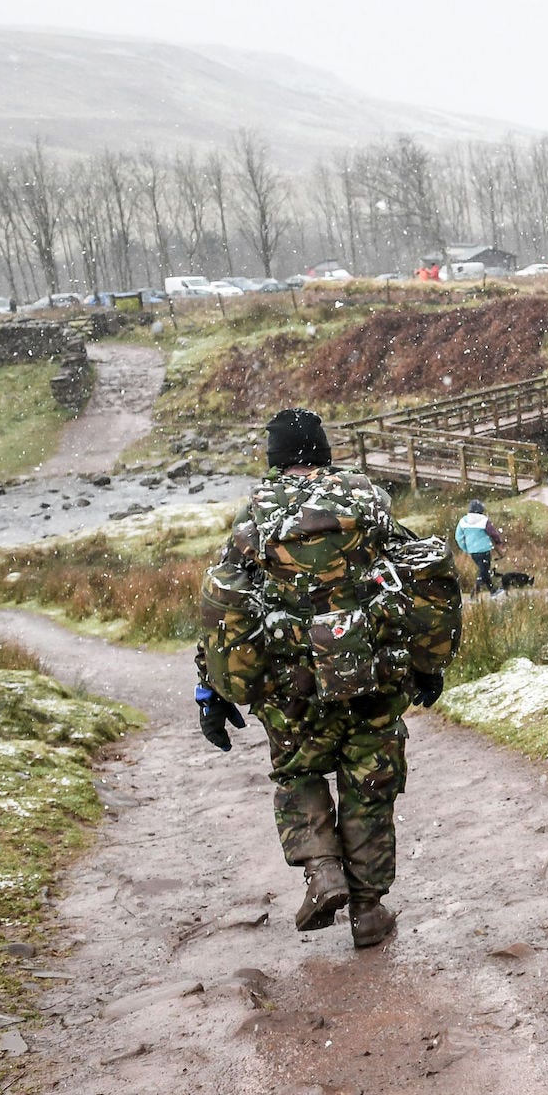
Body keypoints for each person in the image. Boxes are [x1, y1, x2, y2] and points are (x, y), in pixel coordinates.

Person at [194, 407, 462, 949]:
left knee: (299, 775)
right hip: (372, 674)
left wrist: (211, 689)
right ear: (323, 451)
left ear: (274, 458)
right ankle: (368, 910)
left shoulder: (254, 517)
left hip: (289, 686)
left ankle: (322, 872)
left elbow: (223, 607)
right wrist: (428, 664)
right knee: (371, 785)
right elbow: (418, 575)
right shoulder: (369, 502)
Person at [455, 499, 504, 594]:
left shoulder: (463, 521)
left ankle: (493, 591)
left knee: (483, 570)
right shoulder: (484, 520)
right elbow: (494, 534)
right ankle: (475, 590)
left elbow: (458, 537)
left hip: (473, 551)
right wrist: (498, 542)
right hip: (484, 550)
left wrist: (465, 548)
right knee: (484, 571)